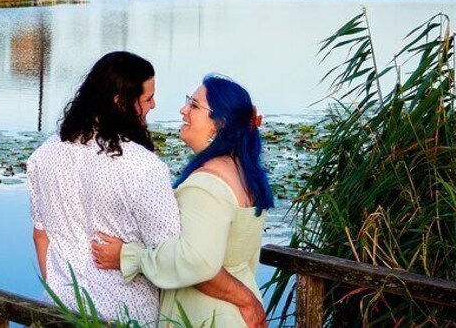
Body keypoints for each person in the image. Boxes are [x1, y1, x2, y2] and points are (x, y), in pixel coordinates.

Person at [28, 54, 265, 326]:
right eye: (147, 99)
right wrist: (247, 299)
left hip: (62, 312)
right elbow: (175, 253)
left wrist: (62, 293)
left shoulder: (43, 156)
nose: (154, 105)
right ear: (121, 102)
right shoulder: (141, 166)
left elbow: (40, 236)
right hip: (127, 316)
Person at [91, 74, 273, 327]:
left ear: (219, 124)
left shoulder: (206, 185)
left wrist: (128, 255)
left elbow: (197, 262)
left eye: (195, 105)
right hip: (237, 312)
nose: (183, 110)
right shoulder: (244, 173)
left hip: (205, 316)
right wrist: (247, 300)